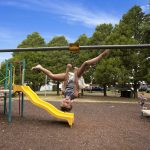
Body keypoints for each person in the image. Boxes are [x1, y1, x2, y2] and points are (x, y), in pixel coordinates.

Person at [31, 49, 109, 112]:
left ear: (61, 101)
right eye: (67, 102)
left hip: (68, 79)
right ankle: (102, 55)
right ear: (71, 103)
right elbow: (76, 83)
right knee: (85, 63)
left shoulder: (63, 92)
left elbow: (65, 81)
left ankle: (40, 67)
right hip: (77, 78)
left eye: (64, 102)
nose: (66, 100)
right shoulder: (74, 95)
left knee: (53, 77)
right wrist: (75, 72)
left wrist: (67, 68)